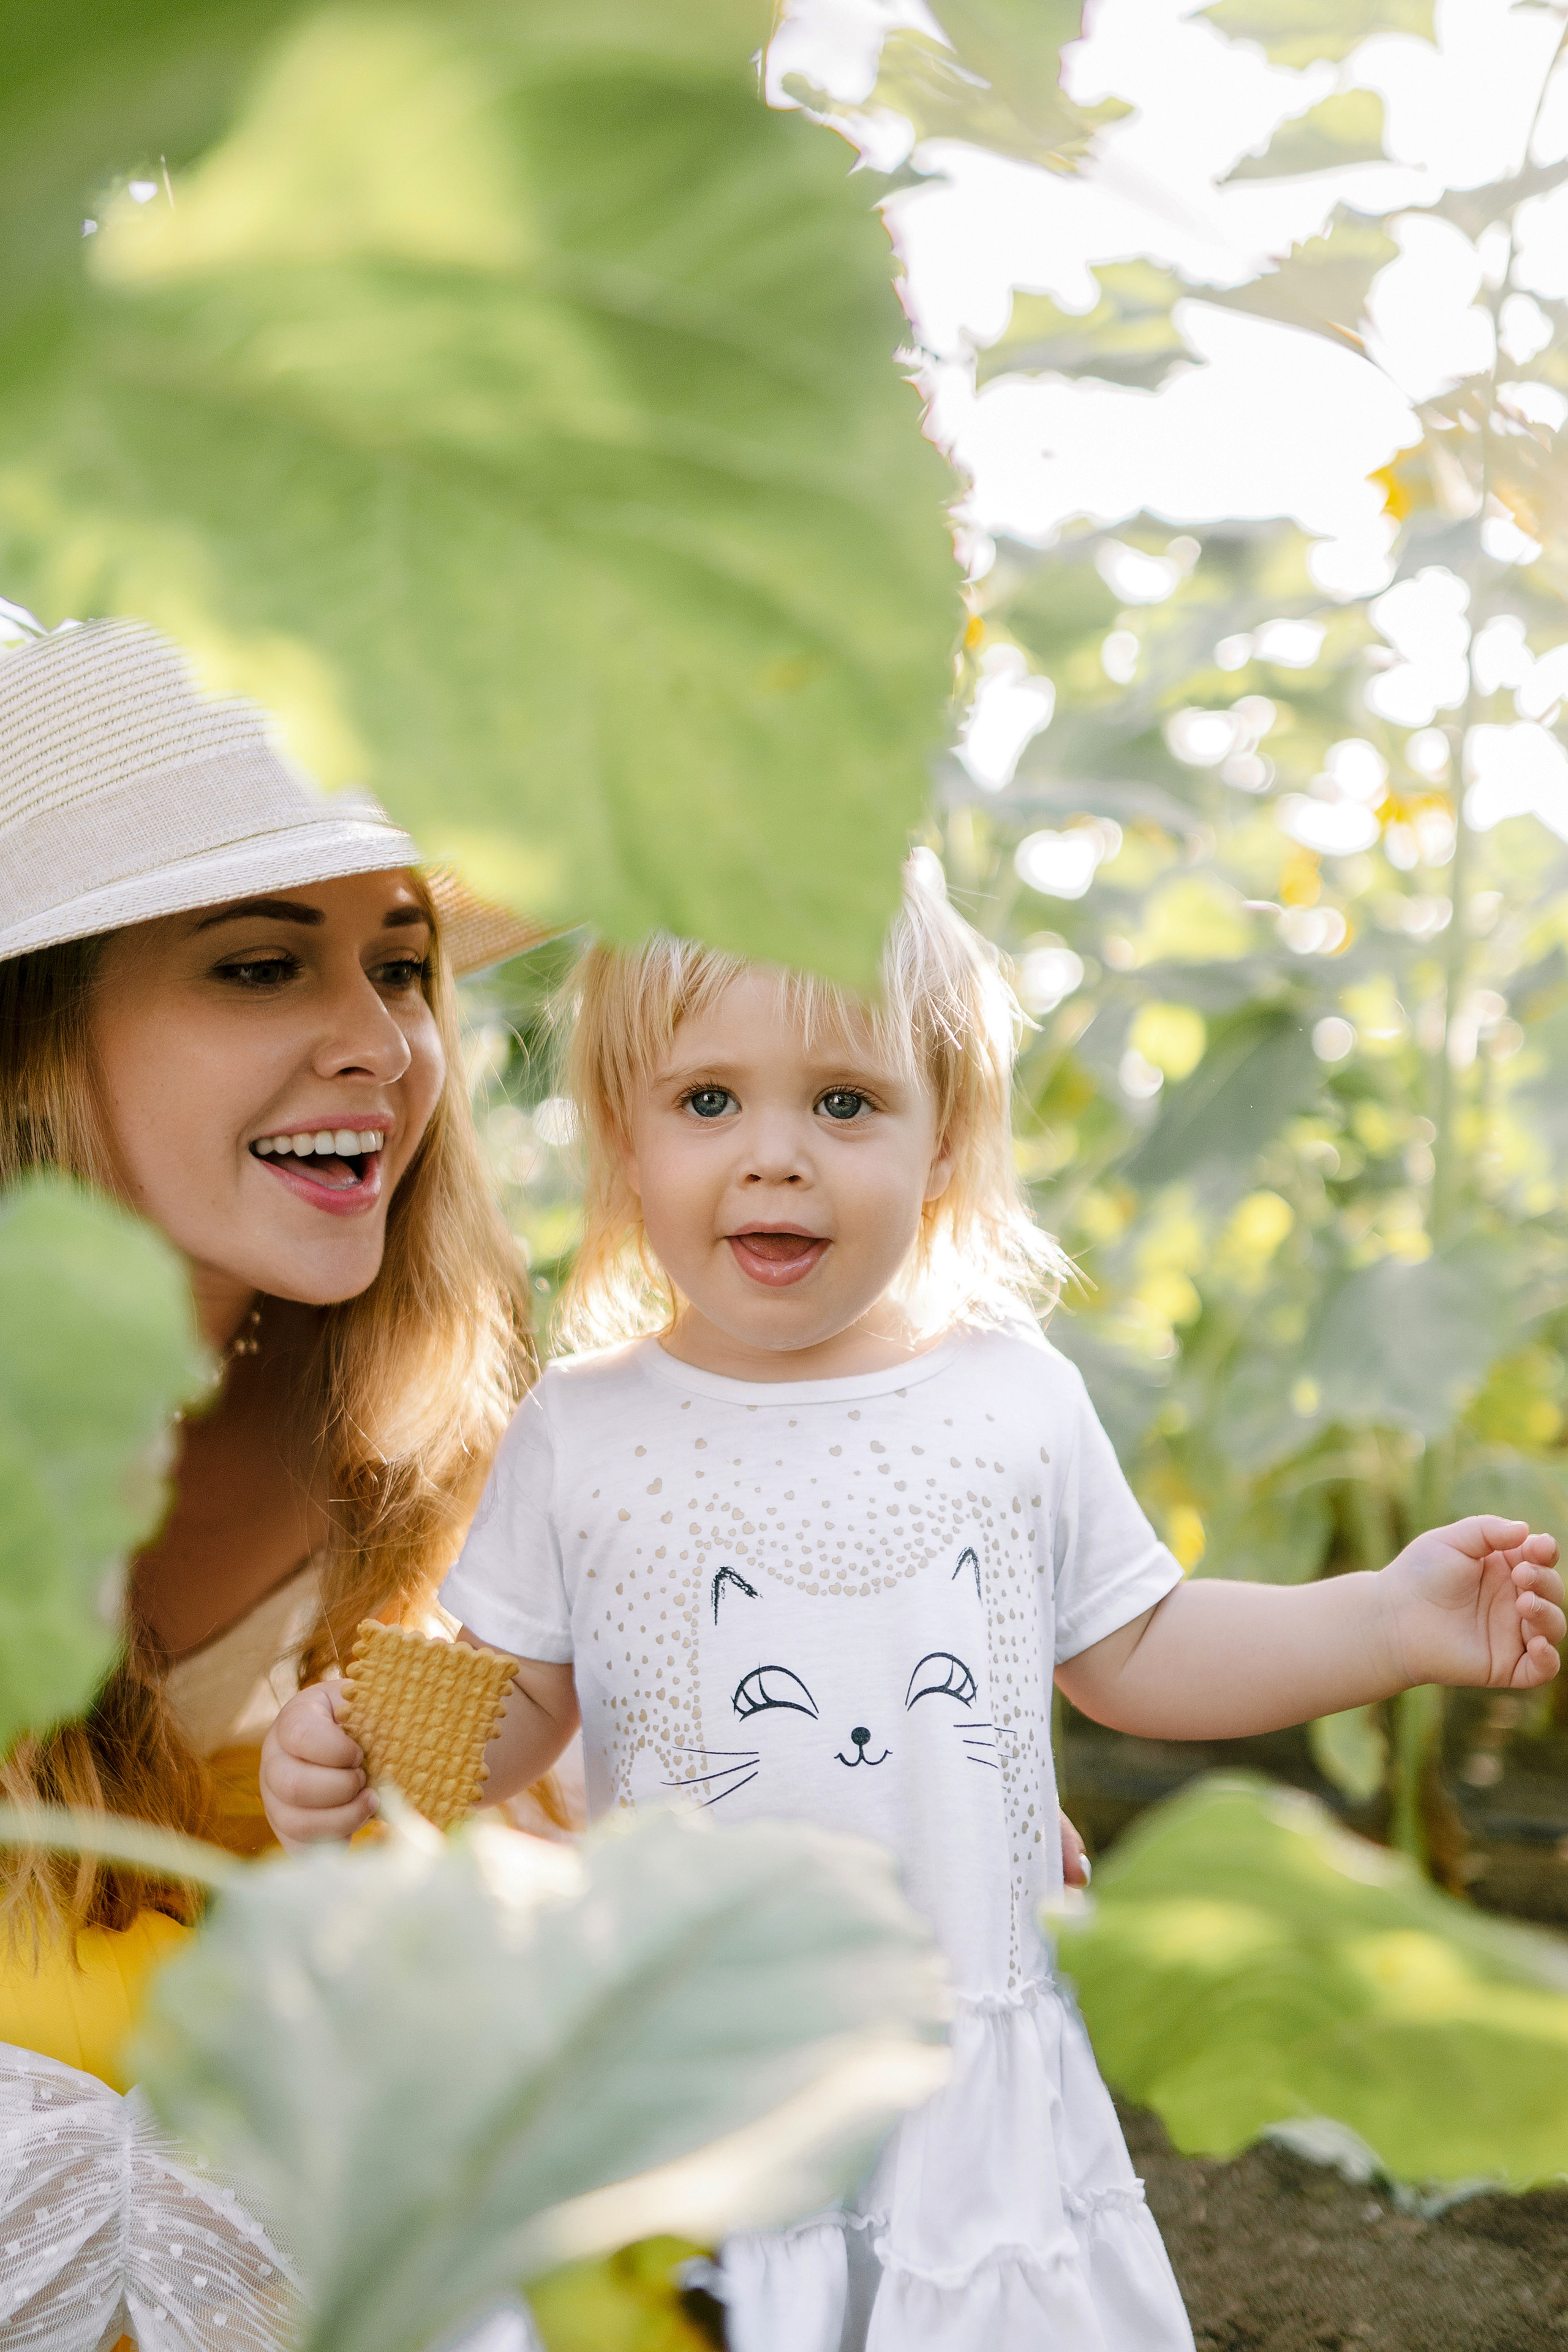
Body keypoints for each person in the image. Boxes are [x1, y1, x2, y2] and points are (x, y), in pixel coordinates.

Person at [264, 879, 1565, 2352]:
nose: (775, 1160)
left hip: (962, 2073)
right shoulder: (586, 1428)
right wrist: (367, 1741)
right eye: (707, 1100)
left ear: (941, 1134)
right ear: (621, 1134)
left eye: (842, 1102)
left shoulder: (1009, 1399)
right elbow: (519, 1709)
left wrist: (1383, 1627)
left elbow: (1135, 1650)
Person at [0, 614, 542, 2349]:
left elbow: (505, 1850)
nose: (381, 1047)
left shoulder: (431, 1447)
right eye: (260, 966)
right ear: (35, 1044)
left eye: (401, 965)